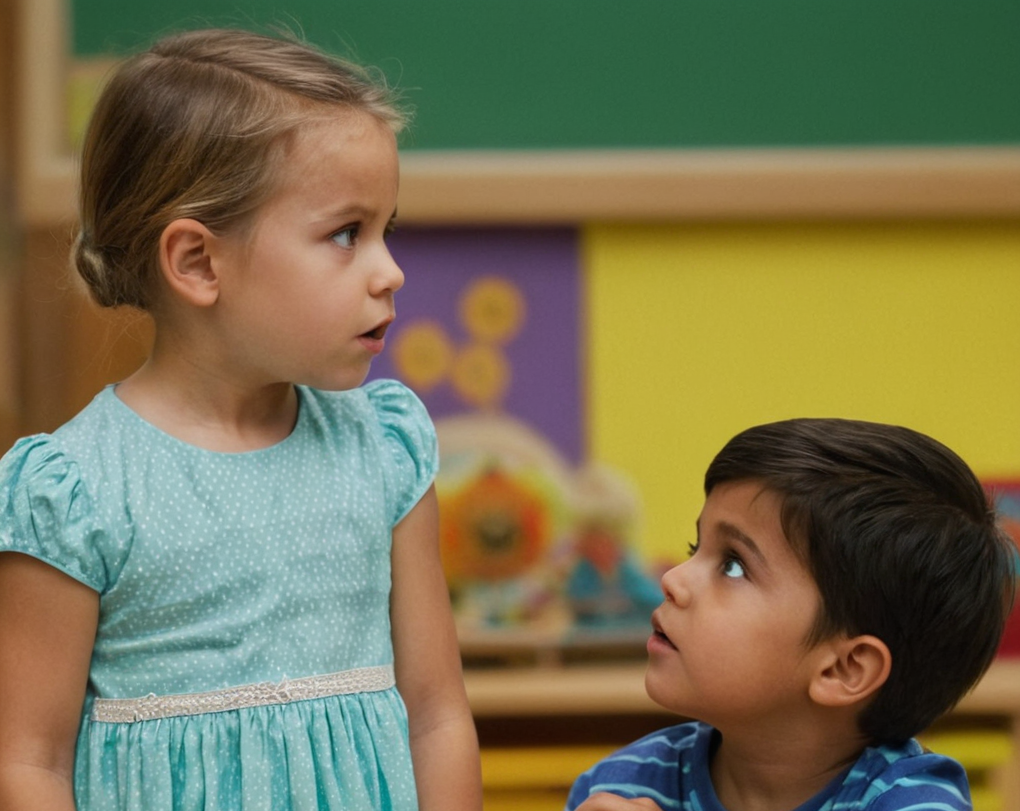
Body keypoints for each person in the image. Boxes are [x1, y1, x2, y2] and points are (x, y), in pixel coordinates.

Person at [0, 28, 481, 811]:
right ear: (196, 262)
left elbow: (436, 715)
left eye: (385, 231)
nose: (389, 271)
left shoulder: (384, 449)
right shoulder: (75, 492)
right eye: (345, 234)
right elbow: (30, 762)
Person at [566, 418, 1016, 811]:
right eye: (694, 547)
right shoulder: (621, 784)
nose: (674, 580)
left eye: (733, 565)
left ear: (844, 668)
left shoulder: (909, 800)